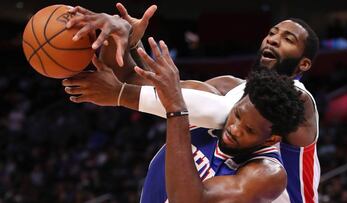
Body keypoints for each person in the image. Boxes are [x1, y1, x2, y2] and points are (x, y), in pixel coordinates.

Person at [63, 4, 320, 203]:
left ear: (304, 64)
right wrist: (121, 37)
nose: (273, 39)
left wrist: (121, 95)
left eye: (288, 39)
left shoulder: (300, 101)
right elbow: (133, 78)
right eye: (272, 32)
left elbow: (217, 111)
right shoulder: (225, 87)